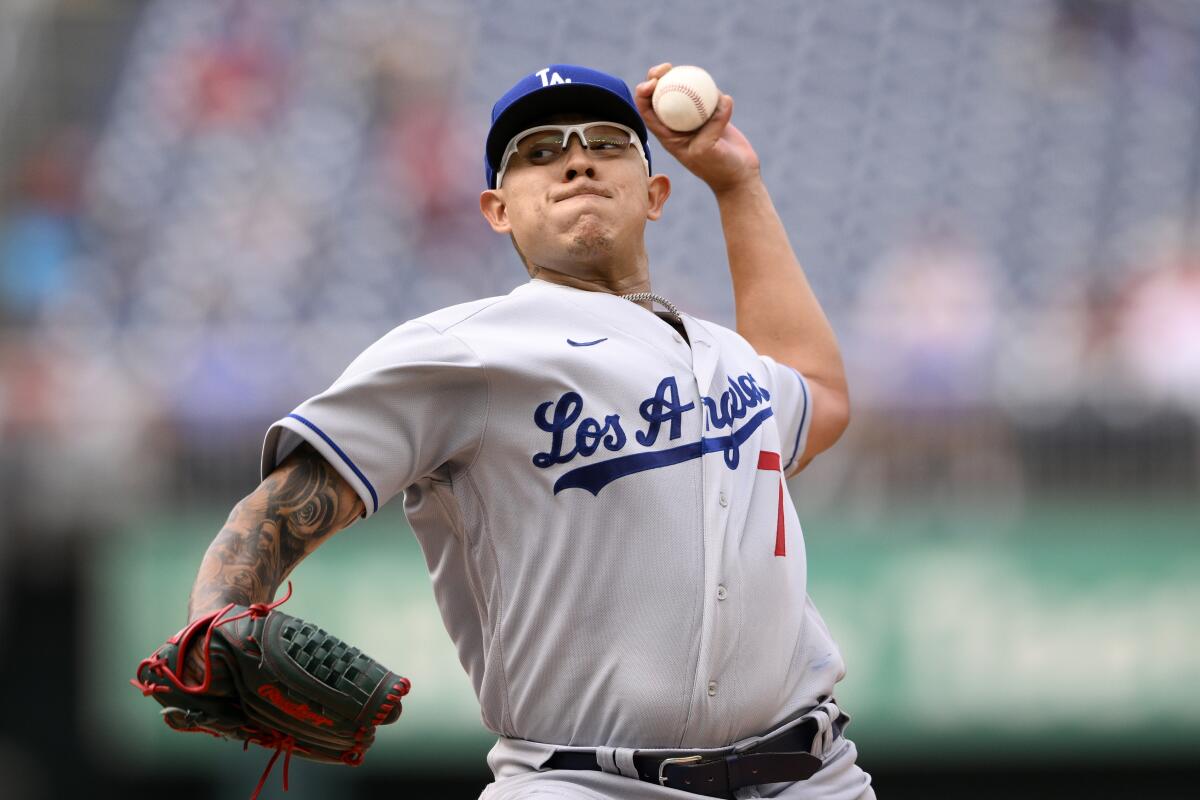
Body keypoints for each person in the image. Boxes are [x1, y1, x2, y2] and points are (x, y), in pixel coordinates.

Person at [184, 63, 871, 800]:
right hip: (583, 782)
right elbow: (286, 502)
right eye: (537, 154)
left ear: (656, 193)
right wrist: (213, 617)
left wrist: (737, 185)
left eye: (606, 144)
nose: (576, 159)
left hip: (810, 775)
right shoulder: (468, 348)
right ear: (497, 210)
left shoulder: (726, 355)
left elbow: (821, 396)